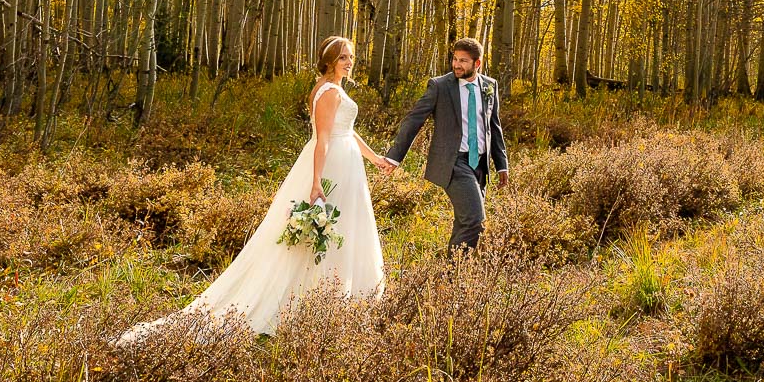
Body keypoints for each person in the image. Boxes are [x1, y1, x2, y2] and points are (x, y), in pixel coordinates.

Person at [116, 36, 389, 343]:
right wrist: (315, 181)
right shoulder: (328, 92)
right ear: (329, 62)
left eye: (350, 57)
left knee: (342, 230)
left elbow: (348, 133)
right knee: (325, 232)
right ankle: (314, 301)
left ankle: (336, 298)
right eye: (343, 58)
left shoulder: (334, 89)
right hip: (333, 166)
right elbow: (324, 139)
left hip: (346, 162)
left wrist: (375, 158)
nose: (349, 63)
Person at [381, 37, 509, 252]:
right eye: (455, 59)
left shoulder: (489, 86)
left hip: (480, 165)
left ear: (477, 64)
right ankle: (453, 274)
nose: (457, 64)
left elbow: (493, 126)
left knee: (464, 222)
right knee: (476, 220)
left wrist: (501, 164)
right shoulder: (440, 86)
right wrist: (394, 157)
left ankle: (453, 274)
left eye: (464, 61)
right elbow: (414, 119)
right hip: (454, 163)